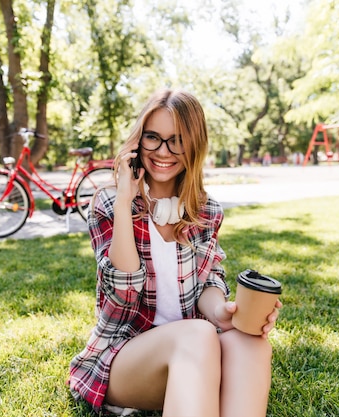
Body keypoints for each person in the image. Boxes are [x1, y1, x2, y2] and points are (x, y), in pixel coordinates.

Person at [68, 89, 282, 417]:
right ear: (139, 141)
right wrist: (126, 202)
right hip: (122, 357)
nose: (163, 151)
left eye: (177, 139)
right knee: (198, 334)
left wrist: (222, 312)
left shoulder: (206, 210)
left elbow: (210, 279)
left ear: (194, 144)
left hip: (194, 356)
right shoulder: (109, 203)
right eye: (153, 137)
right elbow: (123, 295)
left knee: (249, 343)